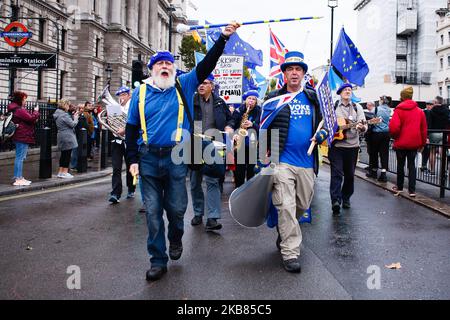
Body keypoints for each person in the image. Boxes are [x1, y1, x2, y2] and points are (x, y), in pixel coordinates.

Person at [125, 22, 240, 281]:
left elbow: (207, 64)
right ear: (152, 70)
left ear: (173, 69)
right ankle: (157, 259)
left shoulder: (185, 84)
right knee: (153, 213)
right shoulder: (140, 93)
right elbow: (131, 127)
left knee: (176, 210)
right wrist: (131, 160)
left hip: (177, 156)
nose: (164, 67)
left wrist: (222, 39)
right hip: (148, 158)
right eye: (159, 64)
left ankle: (175, 238)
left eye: (168, 64)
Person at [262, 51, 328, 273]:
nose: (294, 73)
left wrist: (323, 134)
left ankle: (284, 230)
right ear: (284, 73)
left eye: (298, 69)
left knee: (301, 205)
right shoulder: (274, 98)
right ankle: (290, 253)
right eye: (289, 69)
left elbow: (326, 124)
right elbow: (263, 128)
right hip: (282, 162)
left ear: (303, 73)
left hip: (307, 163)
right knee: (287, 207)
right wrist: (261, 158)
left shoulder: (313, 97)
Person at [190, 74, 234, 230]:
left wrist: (229, 126)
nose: (201, 85)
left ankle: (212, 217)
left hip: (215, 145)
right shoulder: (191, 100)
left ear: (212, 86)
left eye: (205, 83)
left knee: (213, 180)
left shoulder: (220, 102)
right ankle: (197, 213)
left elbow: (231, 119)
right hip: (195, 144)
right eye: (200, 83)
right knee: (195, 181)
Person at [329, 83, 367, 215]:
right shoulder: (333, 107)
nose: (348, 91)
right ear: (340, 93)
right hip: (337, 146)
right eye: (345, 90)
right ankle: (335, 200)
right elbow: (327, 123)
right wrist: (334, 129)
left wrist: (361, 127)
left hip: (352, 146)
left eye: (349, 89)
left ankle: (346, 198)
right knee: (336, 173)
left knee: (350, 175)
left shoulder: (357, 107)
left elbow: (364, 125)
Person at [389, 87, 427, 197]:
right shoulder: (420, 111)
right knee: (412, 166)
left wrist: (395, 137)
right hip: (414, 143)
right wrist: (422, 143)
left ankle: (400, 187)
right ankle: (412, 190)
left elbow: (394, 127)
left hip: (401, 143)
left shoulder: (398, 110)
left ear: (402, 97)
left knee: (400, 166)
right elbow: (423, 129)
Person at [108, 86, 136, 204]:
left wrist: (125, 129)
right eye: (119, 95)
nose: (121, 97)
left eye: (124, 95)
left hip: (129, 141)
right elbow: (112, 125)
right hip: (117, 141)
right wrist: (111, 122)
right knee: (116, 168)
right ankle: (115, 193)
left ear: (129, 95)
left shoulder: (133, 106)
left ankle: (131, 188)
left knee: (131, 166)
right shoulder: (115, 108)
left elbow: (135, 123)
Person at [7, 91, 39, 186]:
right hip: (22, 135)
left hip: (21, 135)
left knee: (20, 157)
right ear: (20, 99)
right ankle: (18, 178)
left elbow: (29, 119)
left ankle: (19, 177)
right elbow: (31, 119)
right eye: (24, 99)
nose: (25, 101)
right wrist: (36, 111)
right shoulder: (19, 110)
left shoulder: (16, 109)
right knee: (20, 158)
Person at [232, 90, 261, 188]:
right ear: (245, 100)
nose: (251, 101)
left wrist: (253, 124)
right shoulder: (239, 111)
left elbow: (263, 127)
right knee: (239, 172)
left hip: (253, 144)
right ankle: (238, 190)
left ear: (256, 101)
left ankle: (249, 191)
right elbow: (232, 124)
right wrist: (235, 134)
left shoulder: (260, 111)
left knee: (251, 171)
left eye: (254, 99)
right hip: (240, 145)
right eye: (249, 98)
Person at [366, 96, 392, 182]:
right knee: (384, 153)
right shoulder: (389, 110)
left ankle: (374, 171)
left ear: (381, 101)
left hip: (376, 133)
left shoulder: (376, 109)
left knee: (374, 153)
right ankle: (383, 174)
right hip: (386, 133)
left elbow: (369, 117)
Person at [54, 99, 79, 179]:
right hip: (67, 136)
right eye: (68, 105)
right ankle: (64, 172)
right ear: (65, 105)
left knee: (63, 155)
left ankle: (61, 172)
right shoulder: (64, 115)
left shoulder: (58, 114)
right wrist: (75, 117)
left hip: (61, 135)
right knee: (67, 155)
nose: (69, 107)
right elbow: (72, 124)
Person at [428, 96, 450, 175]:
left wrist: (427, 135)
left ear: (436, 102)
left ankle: (432, 171)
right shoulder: (447, 111)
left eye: (434, 102)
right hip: (443, 133)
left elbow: (429, 123)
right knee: (443, 152)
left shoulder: (432, 111)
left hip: (433, 133)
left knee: (432, 152)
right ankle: (444, 171)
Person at [420, 100, 434, 173]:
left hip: (426, 134)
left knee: (425, 150)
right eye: (427, 104)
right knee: (426, 150)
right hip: (426, 134)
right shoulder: (426, 112)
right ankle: (423, 165)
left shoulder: (429, 112)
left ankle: (423, 165)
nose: (428, 106)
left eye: (430, 104)